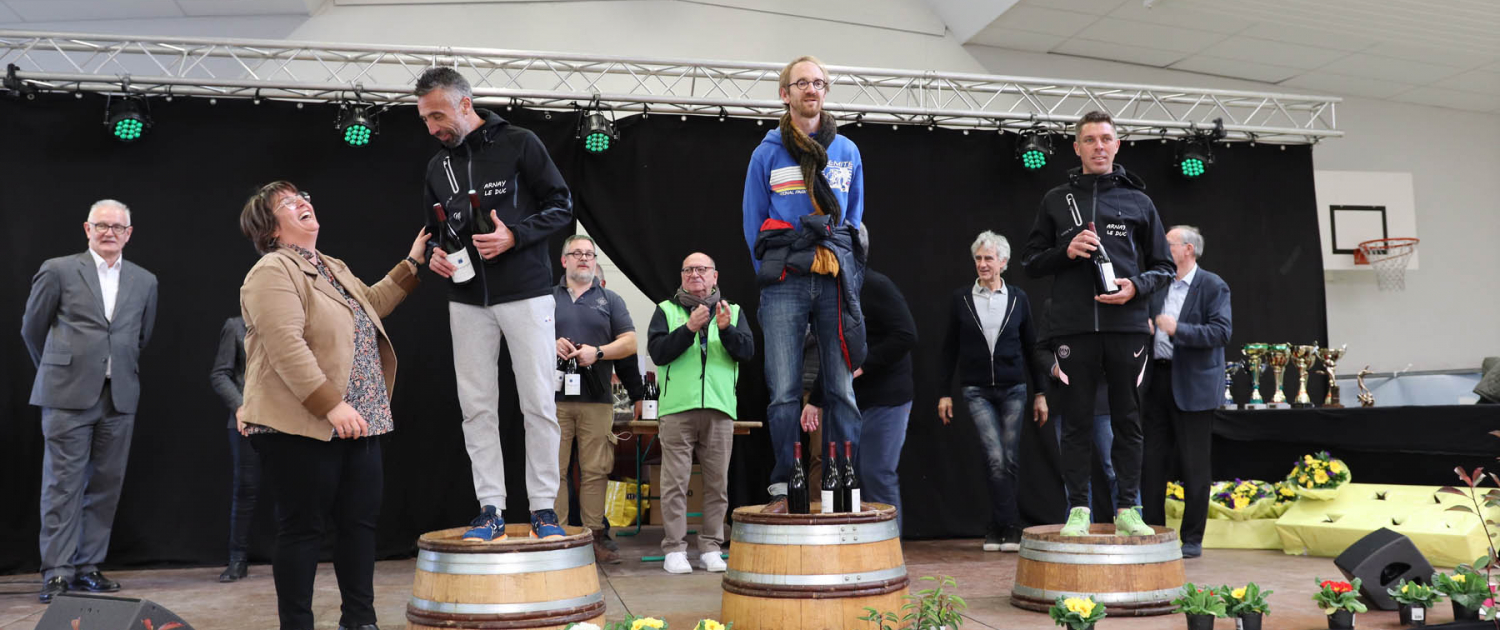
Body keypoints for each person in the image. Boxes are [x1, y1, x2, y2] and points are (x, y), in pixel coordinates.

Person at [237, 181, 428, 630]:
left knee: (359, 526)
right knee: (302, 529)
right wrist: (331, 406)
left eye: (301, 196)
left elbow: (373, 304)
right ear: (270, 228)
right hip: (302, 423)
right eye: (287, 203)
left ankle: (360, 621)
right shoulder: (271, 270)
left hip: (360, 419)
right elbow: (286, 346)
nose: (302, 202)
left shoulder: (331, 265)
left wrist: (413, 263)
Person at [415, 66, 573, 541]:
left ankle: (544, 509)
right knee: (476, 407)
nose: (432, 128)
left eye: (438, 116)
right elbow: (436, 231)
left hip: (526, 293)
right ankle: (491, 509)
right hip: (466, 300)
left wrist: (514, 236)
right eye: (425, 119)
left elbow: (561, 206)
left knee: (538, 403)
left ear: (465, 104)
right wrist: (436, 254)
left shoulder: (520, 143)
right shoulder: (436, 167)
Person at [1021, 110, 1175, 537]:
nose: (1098, 146)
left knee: (1128, 420)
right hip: (1073, 329)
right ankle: (1078, 509)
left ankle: (1128, 507)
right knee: (1075, 423)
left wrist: (1135, 287)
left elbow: (1164, 267)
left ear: (1117, 145)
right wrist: (1066, 251)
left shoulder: (1139, 202)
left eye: (1106, 138)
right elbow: (1030, 262)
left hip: (1127, 327)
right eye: (1089, 140)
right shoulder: (1055, 200)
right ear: (1077, 148)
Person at [743, 54, 866, 513]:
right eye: (802, 83)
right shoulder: (767, 152)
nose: (811, 89)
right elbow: (753, 223)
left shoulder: (848, 151)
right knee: (783, 392)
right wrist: (777, 267)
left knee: (842, 390)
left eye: (819, 83)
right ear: (785, 94)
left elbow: (853, 220)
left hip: (834, 278)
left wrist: (841, 261)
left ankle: (843, 482)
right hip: (785, 281)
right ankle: (783, 485)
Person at [22, 199, 158, 604]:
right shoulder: (59, 270)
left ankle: (87, 567)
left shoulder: (145, 280)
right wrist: (60, 371)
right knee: (62, 486)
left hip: (119, 396)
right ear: (87, 229)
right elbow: (32, 329)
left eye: (117, 227)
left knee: (105, 486)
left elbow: (140, 337)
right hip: (67, 396)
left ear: (128, 234)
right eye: (102, 225)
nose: (109, 232)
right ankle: (57, 572)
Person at [937, 231, 1047, 551]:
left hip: (1014, 389)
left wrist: (1040, 393)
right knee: (995, 456)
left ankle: (1003, 527)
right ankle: (1005, 525)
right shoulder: (961, 298)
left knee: (1009, 458)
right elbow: (949, 349)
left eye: (989, 258)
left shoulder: (1018, 298)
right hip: (976, 390)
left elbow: (1032, 347)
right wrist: (944, 392)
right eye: (978, 258)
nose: (983, 264)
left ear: (1003, 262)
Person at [647, 252, 754, 574]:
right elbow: (658, 353)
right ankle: (674, 549)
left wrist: (727, 330)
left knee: (717, 484)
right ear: (681, 276)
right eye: (688, 269)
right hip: (677, 409)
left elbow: (747, 352)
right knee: (674, 483)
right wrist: (689, 329)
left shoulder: (733, 311)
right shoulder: (666, 310)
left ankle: (711, 547)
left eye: (702, 269)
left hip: (720, 409)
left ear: (714, 276)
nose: (695, 274)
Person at [1140, 226, 1232, 559]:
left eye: (1169, 244)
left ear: (1188, 249)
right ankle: (1154, 532)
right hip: (1157, 381)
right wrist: (1146, 328)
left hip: (1193, 385)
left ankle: (1192, 538)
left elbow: (1221, 332)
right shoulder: (1160, 283)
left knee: (1194, 466)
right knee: (1151, 463)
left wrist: (1178, 329)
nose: (1163, 249)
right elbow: (1148, 323)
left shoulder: (1212, 285)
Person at [551, 234, 641, 564]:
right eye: (577, 253)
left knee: (595, 471)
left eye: (589, 253)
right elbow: (524, 336)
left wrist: (598, 352)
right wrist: (549, 343)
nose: (584, 258)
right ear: (564, 261)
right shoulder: (547, 298)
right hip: (552, 400)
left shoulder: (611, 300)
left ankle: (593, 538)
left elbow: (630, 342)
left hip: (597, 400)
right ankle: (557, 538)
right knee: (553, 471)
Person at [209, 315, 260, 582]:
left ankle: (296, 556)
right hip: (246, 421)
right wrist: (240, 407)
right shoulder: (236, 326)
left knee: (292, 490)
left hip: (286, 421)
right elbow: (220, 374)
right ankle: (237, 558)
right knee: (246, 489)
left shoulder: (289, 322)